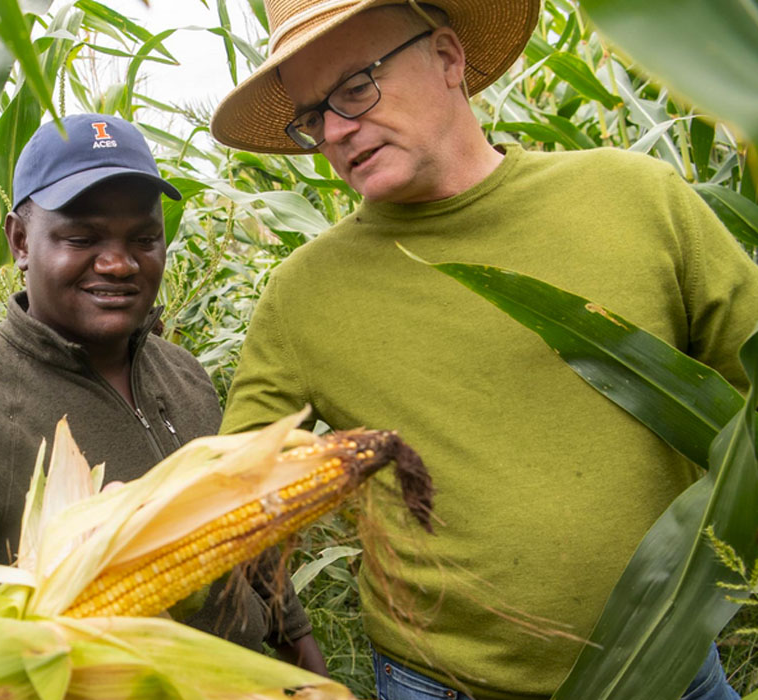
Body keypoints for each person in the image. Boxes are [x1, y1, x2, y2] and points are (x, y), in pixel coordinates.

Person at [210, 1, 758, 699]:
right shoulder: (301, 296)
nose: (338, 131)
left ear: (447, 57)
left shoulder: (638, 199)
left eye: (356, 87)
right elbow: (229, 493)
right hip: (439, 684)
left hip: (670, 666)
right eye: (314, 115)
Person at [0, 113, 326, 699]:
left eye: (143, 239)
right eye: (82, 238)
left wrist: (295, 641)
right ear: (20, 241)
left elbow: (239, 533)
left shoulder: (184, 374)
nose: (119, 263)